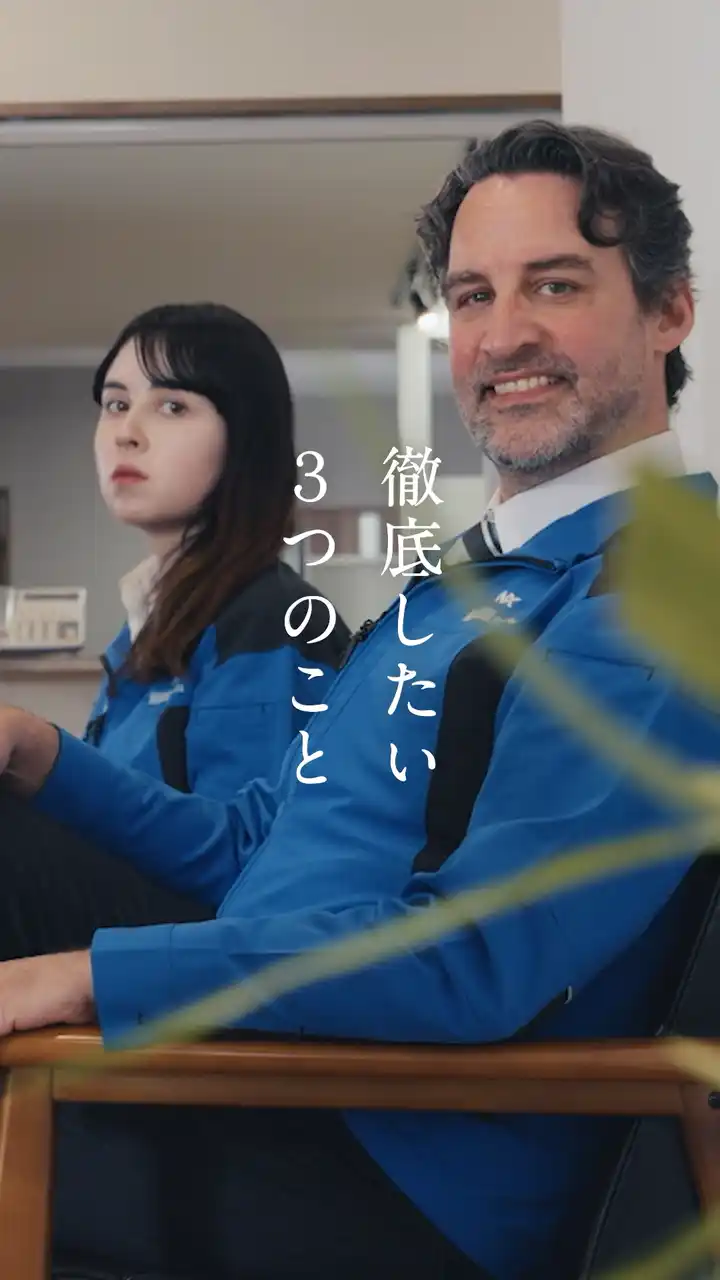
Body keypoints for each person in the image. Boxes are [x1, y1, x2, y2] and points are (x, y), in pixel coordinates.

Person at [0, 120, 715, 1280]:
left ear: (669, 309)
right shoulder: (469, 585)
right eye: (474, 295)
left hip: (378, 1148)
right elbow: (255, 845)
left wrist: (87, 973)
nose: (504, 334)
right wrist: (39, 749)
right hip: (278, 1076)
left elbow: (478, 954)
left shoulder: (653, 588)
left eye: (556, 284)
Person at [85, 302, 350, 798]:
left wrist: (48, 762)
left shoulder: (272, 620)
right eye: (116, 404)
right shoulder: (146, 621)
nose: (127, 433)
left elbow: (244, 840)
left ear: (245, 438)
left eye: (172, 407)